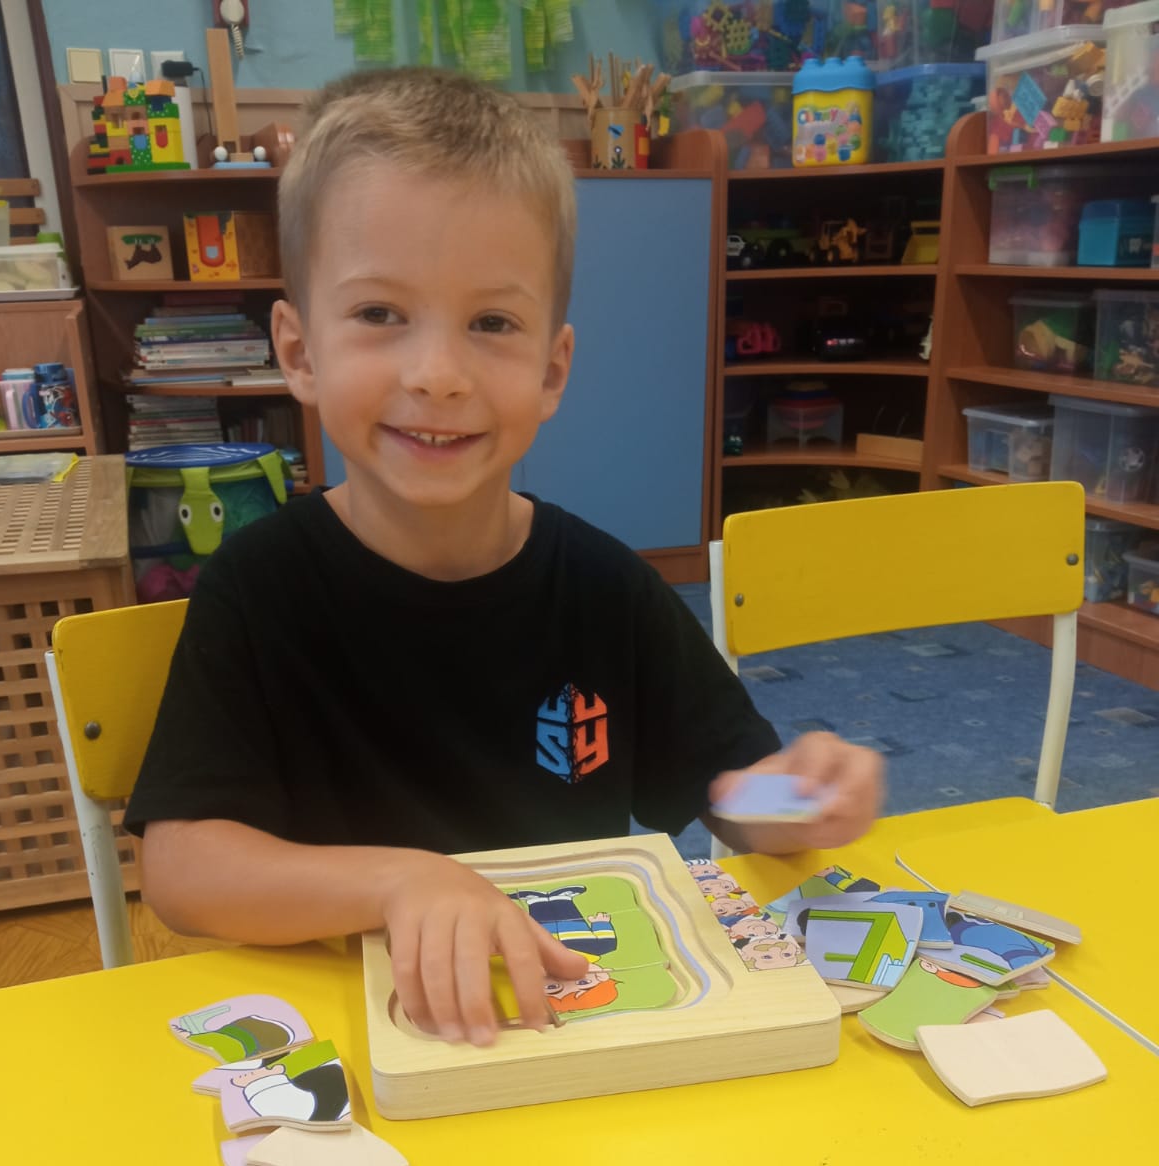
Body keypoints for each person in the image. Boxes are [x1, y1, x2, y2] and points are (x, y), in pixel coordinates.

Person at [127, 67, 883, 1049]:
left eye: (491, 323)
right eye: (379, 314)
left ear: (551, 368)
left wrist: (802, 794)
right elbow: (183, 869)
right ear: (300, 351)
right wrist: (403, 881)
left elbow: (729, 796)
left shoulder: (608, 589)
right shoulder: (258, 587)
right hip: (357, 1030)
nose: (438, 375)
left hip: (572, 1019)